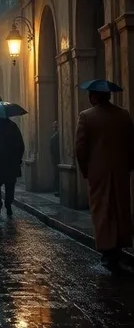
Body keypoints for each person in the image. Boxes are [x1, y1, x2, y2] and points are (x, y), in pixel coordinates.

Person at [75, 89, 134, 271]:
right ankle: (117, 246)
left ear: (94, 97)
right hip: (120, 169)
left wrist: (86, 170)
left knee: (102, 209)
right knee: (120, 208)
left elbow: (81, 147)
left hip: (98, 171)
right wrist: (129, 165)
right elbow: (131, 142)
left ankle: (108, 250)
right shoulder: (123, 115)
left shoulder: (86, 116)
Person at [0, 117, 25, 217]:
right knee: (10, 186)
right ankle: (8, 205)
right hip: (10, 163)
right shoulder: (13, 126)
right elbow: (20, 144)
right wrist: (18, 158)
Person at [50, 120, 60, 196]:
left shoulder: (54, 137)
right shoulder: (55, 137)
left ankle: (57, 190)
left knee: (56, 175)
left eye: (54, 126)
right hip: (57, 158)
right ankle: (57, 190)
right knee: (57, 175)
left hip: (57, 159)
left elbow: (51, 149)